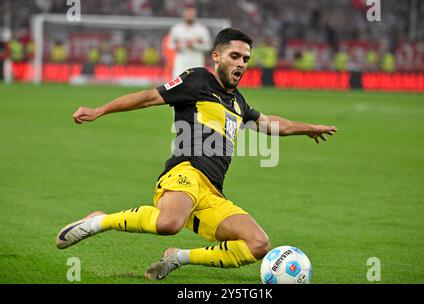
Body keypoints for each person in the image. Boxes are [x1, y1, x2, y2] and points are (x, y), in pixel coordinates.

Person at [56, 28, 337, 280]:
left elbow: (275, 124)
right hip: (185, 173)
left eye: (246, 59)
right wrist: (99, 110)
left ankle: (178, 257)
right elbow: (150, 97)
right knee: (168, 223)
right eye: (235, 56)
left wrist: (308, 128)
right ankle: (98, 221)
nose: (241, 64)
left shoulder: (239, 103)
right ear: (217, 56)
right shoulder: (198, 79)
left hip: (212, 193)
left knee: (258, 245)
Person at [168, 4, 212, 78]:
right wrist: (179, 46)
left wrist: (195, 45)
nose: (190, 15)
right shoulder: (176, 29)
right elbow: (170, 44)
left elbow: (208, 46)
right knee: (178, 84)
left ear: (195, 14)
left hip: (197, 59)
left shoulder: (202, 29)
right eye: (188, 13)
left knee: (196, 83)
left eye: (192, 13)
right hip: (181, 59)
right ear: (184, 14)